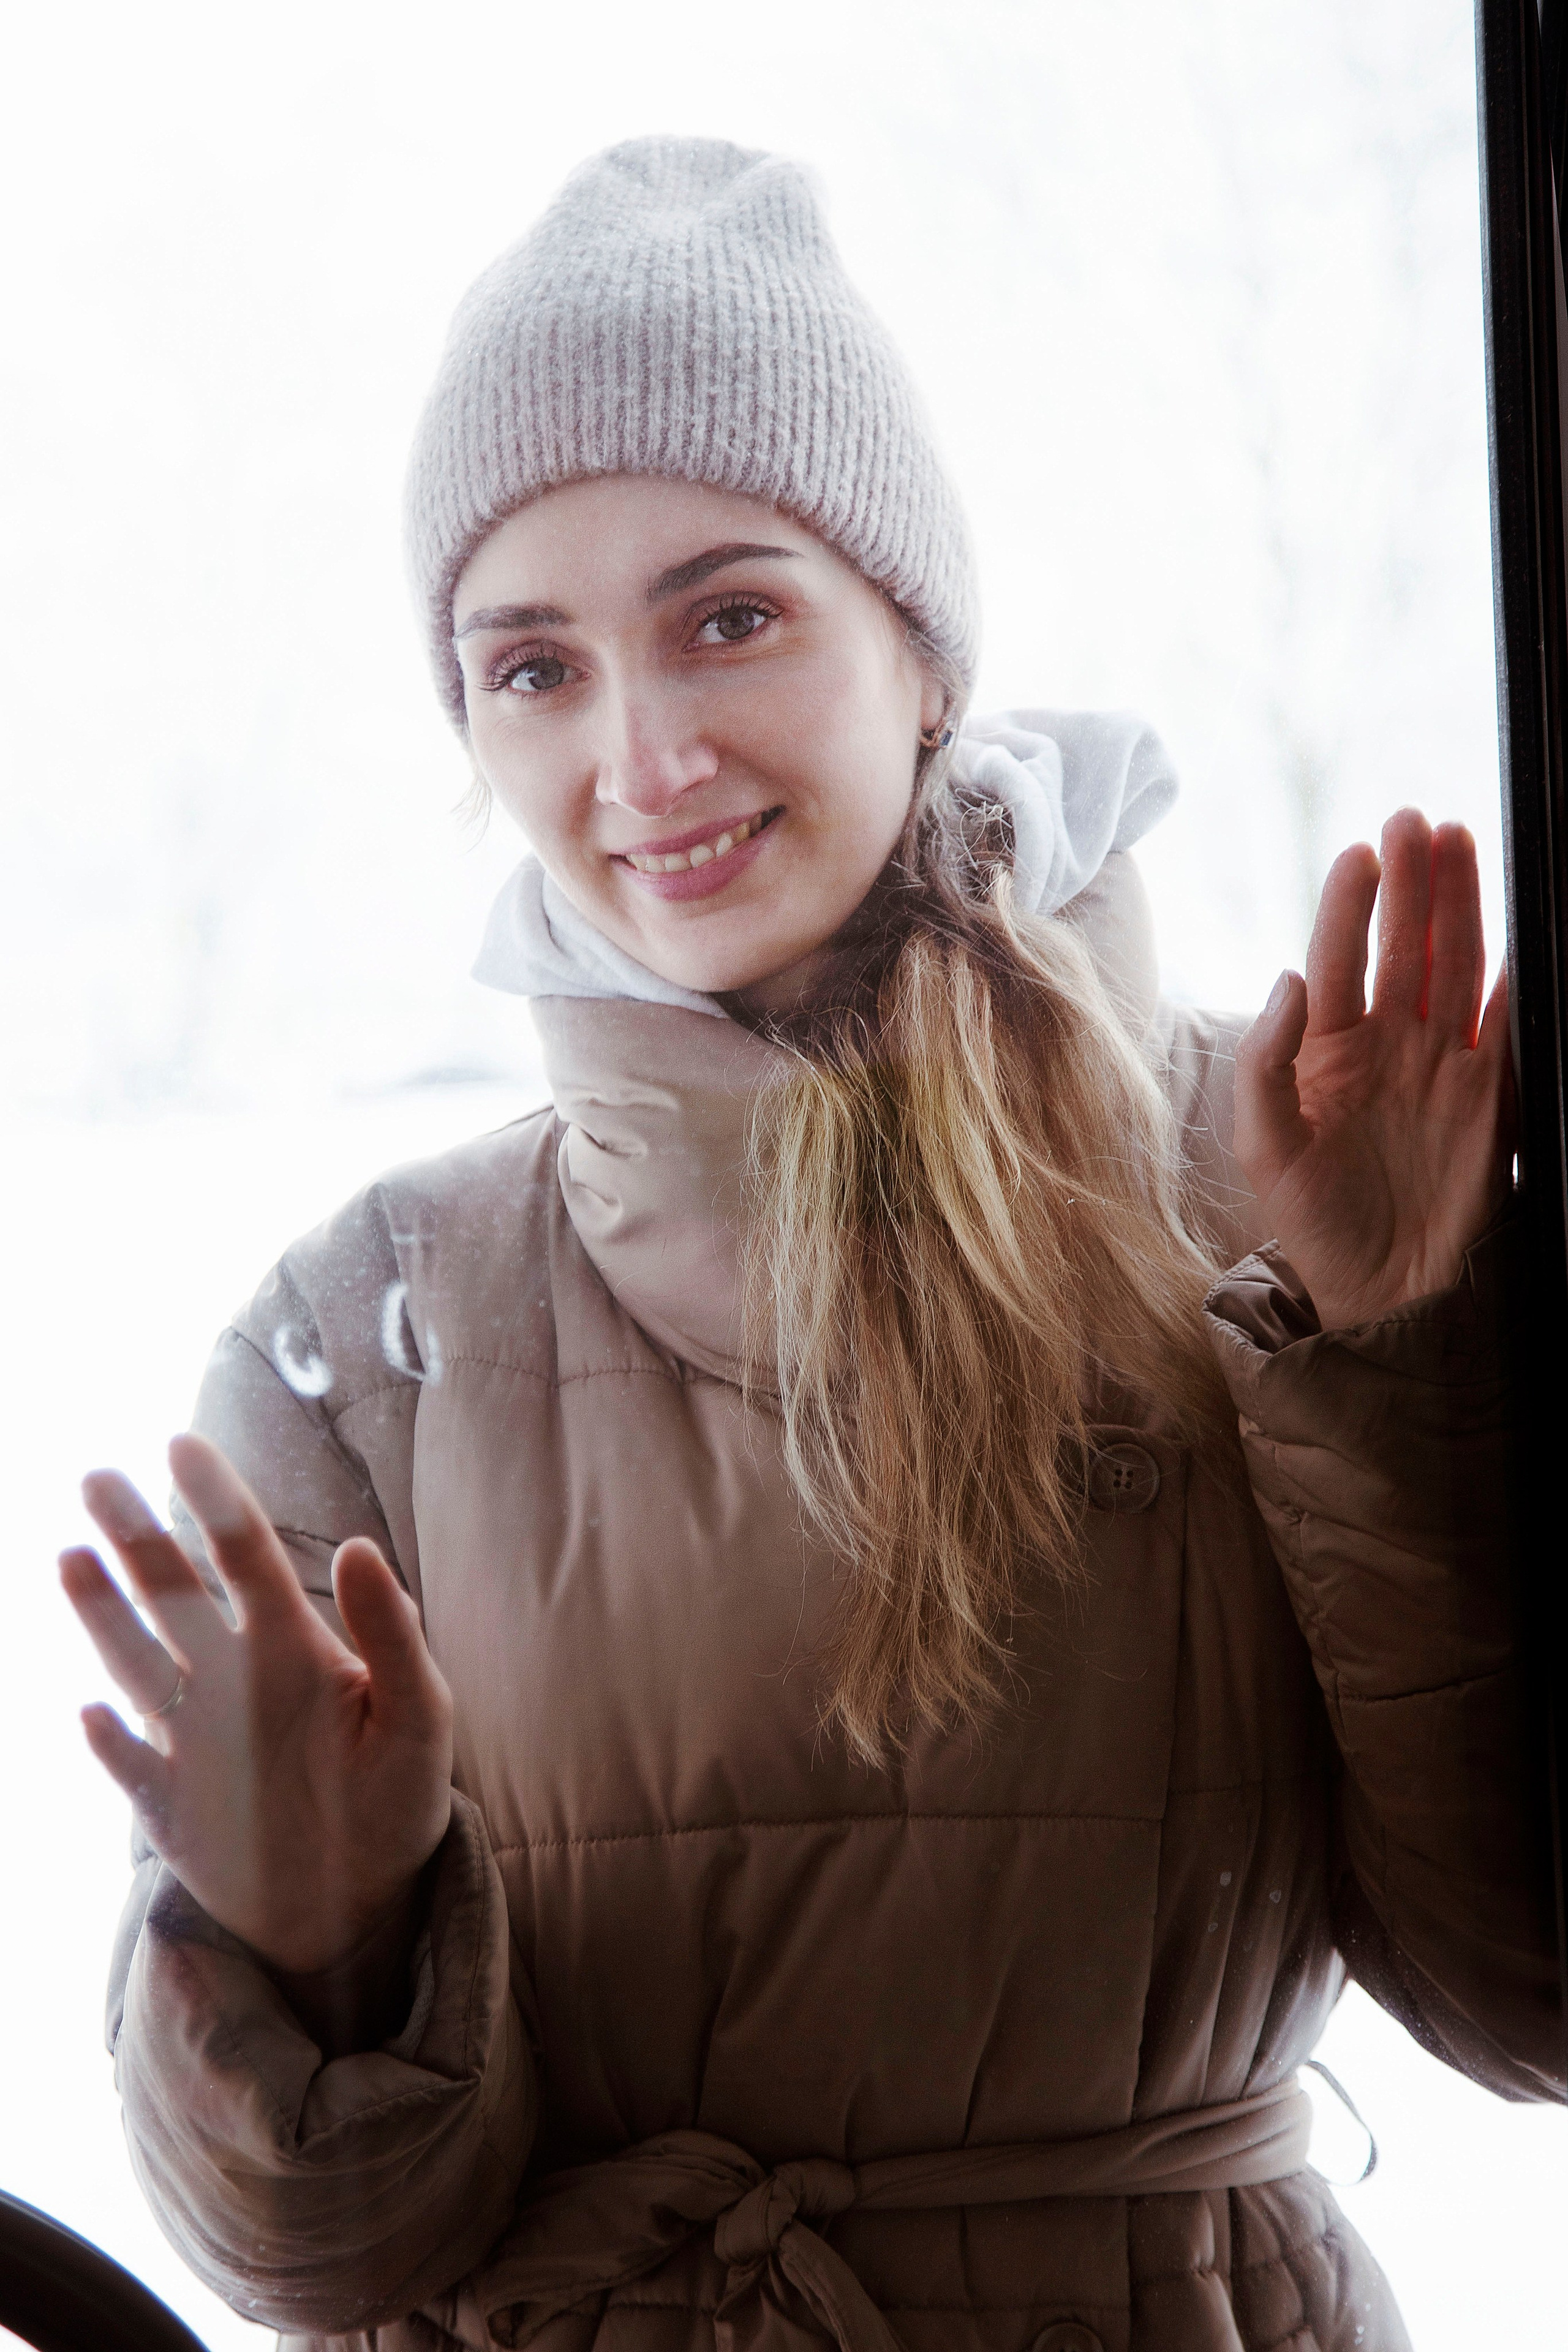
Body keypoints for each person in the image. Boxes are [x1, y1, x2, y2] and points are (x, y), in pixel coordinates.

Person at [62, 138, 1560, 2352]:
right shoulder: (357, 1340)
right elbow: (322, 2256)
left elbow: (1529, 1997)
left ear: (919, 647)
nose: (643, 752)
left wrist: (1396, 1351)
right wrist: (317, 1951)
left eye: (731, 615)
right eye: (532, 666)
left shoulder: (1284, 1175)